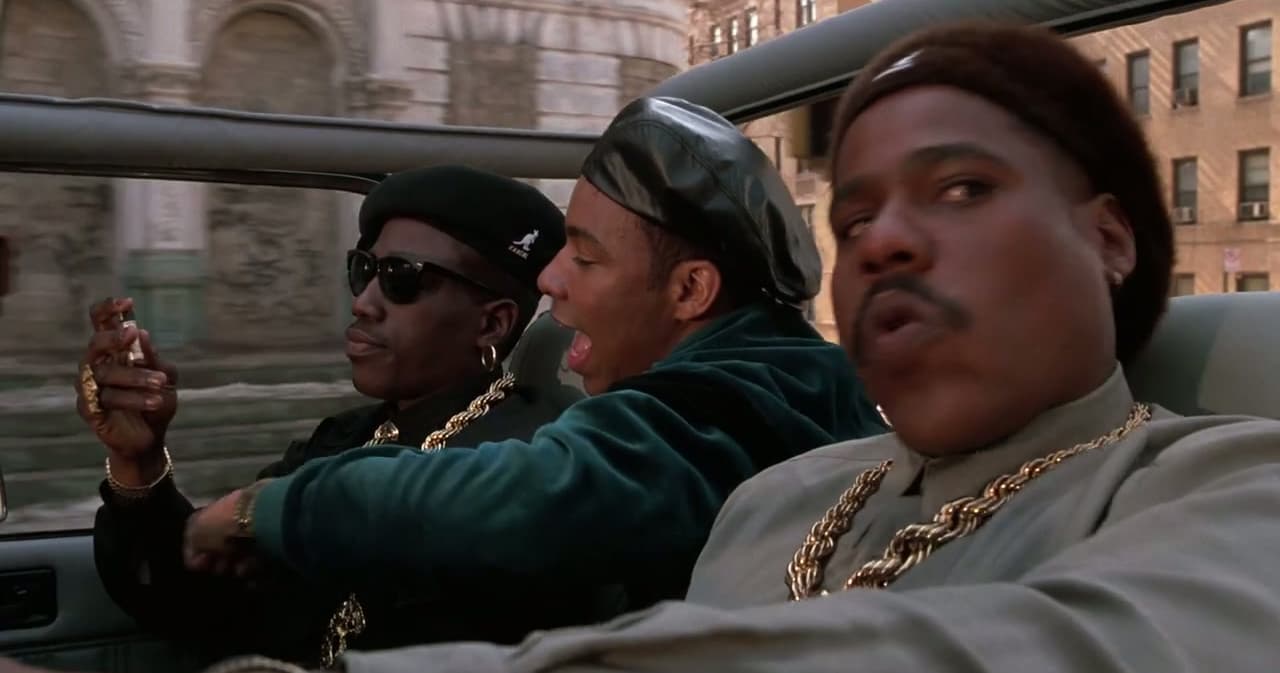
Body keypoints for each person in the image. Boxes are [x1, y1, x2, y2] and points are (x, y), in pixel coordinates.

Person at [185, 21, 1280, 673]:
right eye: (853, 218)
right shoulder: (778, 497)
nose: (883, 239)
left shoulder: (1229, 483)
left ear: (1108, 238)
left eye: (960, 187)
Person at [178, 95, 887, 662]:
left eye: (585, 257)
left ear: (690, 290)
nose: (549, 280)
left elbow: (540, 492)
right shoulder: (777, 377)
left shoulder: (726, 407)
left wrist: (268, 508)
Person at [76, 165, 577, 665]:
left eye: (401, 278)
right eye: (364, 270)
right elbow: (198, 603)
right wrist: (138, 462)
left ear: (492, 324)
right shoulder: (345, 438)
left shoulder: (528, 461)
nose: (363, 303)